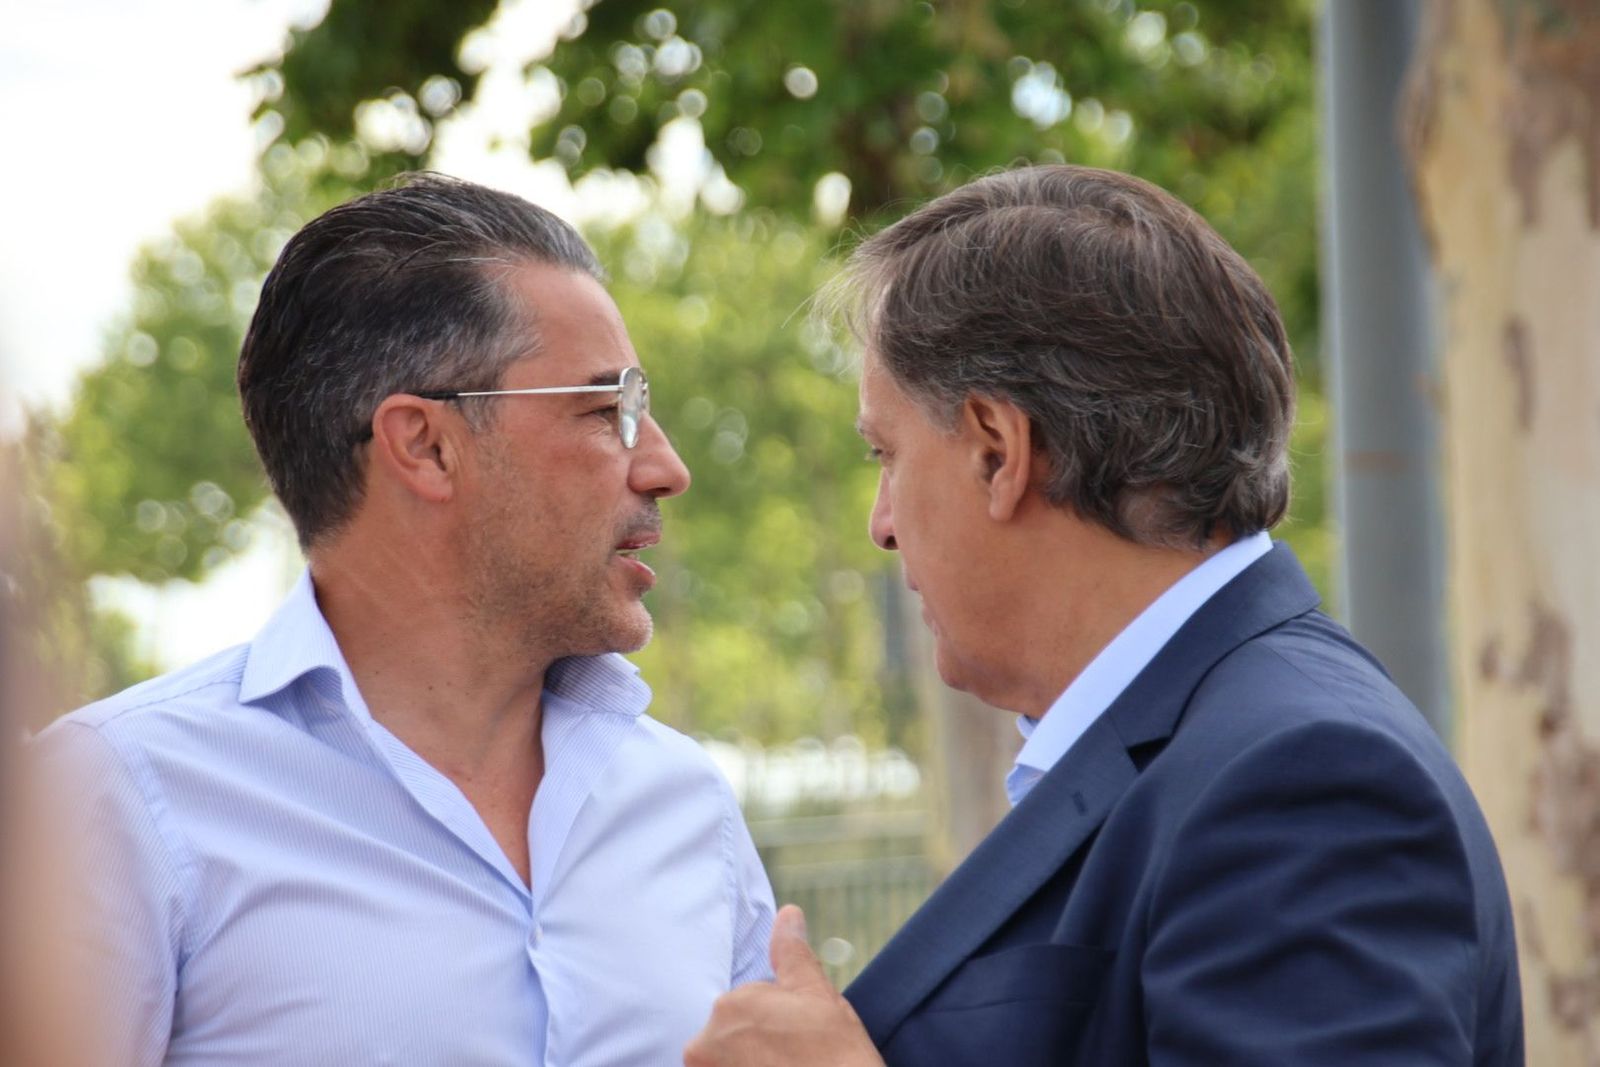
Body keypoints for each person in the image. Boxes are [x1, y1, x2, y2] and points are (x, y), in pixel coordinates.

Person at [685, 165, 1522, 1066]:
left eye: (886, 454)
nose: (880, 525)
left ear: (1000, 451)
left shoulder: (1302, 780)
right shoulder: (1234, 740)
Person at [34, 174, 775, 1066]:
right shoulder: (115, 798)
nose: (664, 465)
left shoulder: (685, 804)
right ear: (425, 444)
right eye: (608, 409)